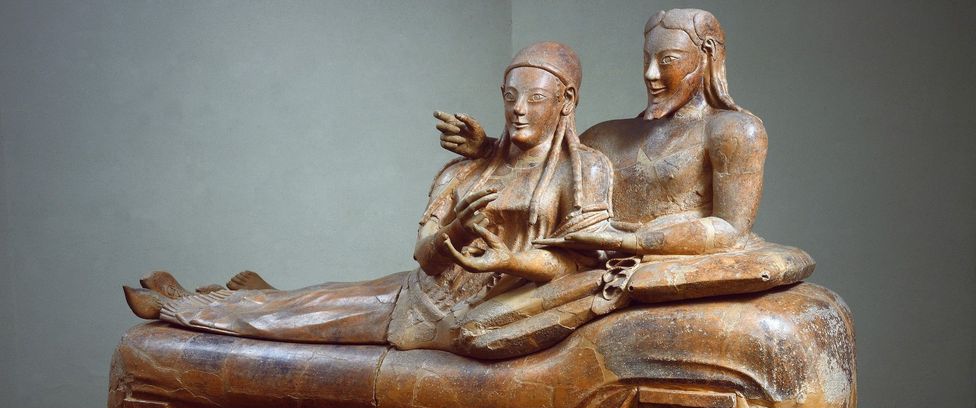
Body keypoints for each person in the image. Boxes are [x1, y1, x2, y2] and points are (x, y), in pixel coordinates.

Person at [124, 42, 616, 358]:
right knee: (314, 303)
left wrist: (515, 259)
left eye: (534, 98)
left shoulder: (586, 169)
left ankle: (189, 305)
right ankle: (198, 302)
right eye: (510, 96)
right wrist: (455, 234)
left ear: (566, 102)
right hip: (422, 294)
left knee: (310, 312)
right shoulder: (467, 169)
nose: (518, 109)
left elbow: (585, 266)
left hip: (465, 313)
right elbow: (423, 257)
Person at [437, 8, 767, 257]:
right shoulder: (607, 138)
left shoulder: (734, 131)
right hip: (588, 261)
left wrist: (632, 241)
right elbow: (548, 167)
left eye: (667, 60)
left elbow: (731, 228)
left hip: (657, 261)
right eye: (646, 59)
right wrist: (488, 149)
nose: (651, 74)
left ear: (706, 55)